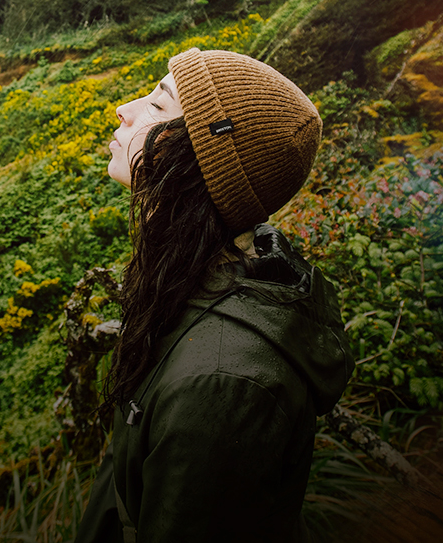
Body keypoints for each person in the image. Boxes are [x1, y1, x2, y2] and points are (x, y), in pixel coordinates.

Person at [75, 47, 354, 542]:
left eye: (158, 107)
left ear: (201, 163)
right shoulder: (181, 283)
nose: (125, 107)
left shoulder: (223, 383)